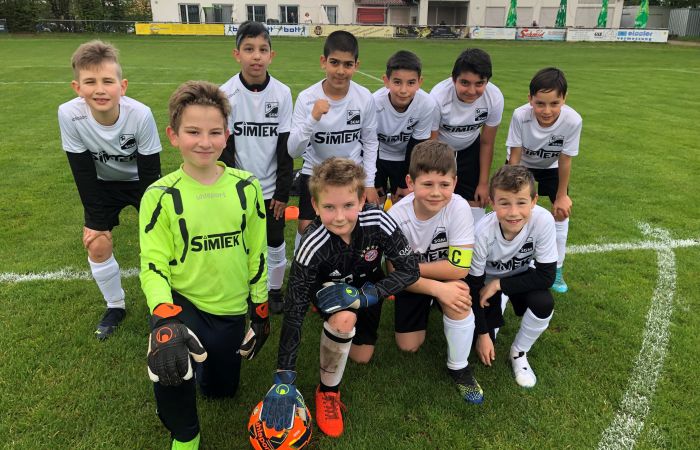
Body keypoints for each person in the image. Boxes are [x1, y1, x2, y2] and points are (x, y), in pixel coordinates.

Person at [140, 81, 269, 450]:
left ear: (227, 136)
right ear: (173, 136)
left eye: (214, 132)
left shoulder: (247, 187)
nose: (204, 142)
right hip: (183, 304)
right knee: (169, 357)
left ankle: (207, 370)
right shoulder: (160, 195)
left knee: (220, 390)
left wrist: (260, 309)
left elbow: (257, 251)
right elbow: (153, 264)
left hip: (229, 308)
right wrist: (163, 317)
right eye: (193, 132)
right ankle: (185, 434)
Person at [259, 158, 420, 438]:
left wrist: (368, 296)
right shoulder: (311, 245)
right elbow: (293, 313)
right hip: (329, 292)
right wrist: (284, 375)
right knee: (344, 319)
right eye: (329, 207)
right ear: (315, 205)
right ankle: (328, 392)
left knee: (361, 357)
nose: (340, 216)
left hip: (367, 291)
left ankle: (347, 320)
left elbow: (411, 270)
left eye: (348, 205)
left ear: (361, 200)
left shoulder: (379, 220)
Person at [58, 40, 162, 340]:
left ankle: (163, 303)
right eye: (90, 82)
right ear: (77, 87)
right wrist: (96, 221)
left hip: (142, 182)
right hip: (102, 184)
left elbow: (150, 172)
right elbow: (82, 171)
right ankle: (115, 306)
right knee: (97, 243)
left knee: (160, 242)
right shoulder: (68, 114)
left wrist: (153, 220)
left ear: (122, 86)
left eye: (107, 81)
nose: (100, 89)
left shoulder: (140, 114)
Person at [387, 141, 483, 404]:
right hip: (417, 283)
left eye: (444, 184)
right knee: (408, 346)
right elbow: (394, 275)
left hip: (445, 278)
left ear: (455, 182)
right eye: (427, 184)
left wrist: (410, 269)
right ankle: (433, 301)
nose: (436, 193)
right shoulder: (396, 216)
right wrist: (436, 288)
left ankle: (459, 368)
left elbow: (459, 268)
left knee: (459, 295)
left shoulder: (459, 207)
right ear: (410, 182)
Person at [219, 21, 293, 314]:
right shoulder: (226, 93)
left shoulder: (282, 93)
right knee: (240, 241)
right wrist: (230, 188)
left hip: (272, 188)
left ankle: (274, 290)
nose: (256, 56)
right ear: (237, 54)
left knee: (275, 240)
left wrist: (283, 192)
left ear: (271, 56)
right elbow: (225, 147)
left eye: (263, 49)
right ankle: (246, 287)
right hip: (239, 188)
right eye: (249, 49)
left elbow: (285, 147)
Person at [287, 30, 379, 253]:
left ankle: (347, 267)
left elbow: (370, 141)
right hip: (315, 170)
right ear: (323, 62)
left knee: (350, 225)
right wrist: (313, 118)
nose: (340, 71)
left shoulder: (364, 97)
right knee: (306, 227)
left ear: (356, 65)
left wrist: (369, 182)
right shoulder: (307, 98)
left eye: (348, 64)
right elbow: (293, 150)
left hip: (351, 172)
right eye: (334, 62)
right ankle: (303, 266)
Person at [468, 165, 557, 389]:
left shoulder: (543, 220)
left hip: (514, 277)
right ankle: (495, 310)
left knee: (543, 302)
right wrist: (483, 334)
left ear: (534, 201)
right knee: (475, 344)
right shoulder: (482, 233)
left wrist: (500, 284)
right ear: (492, 202)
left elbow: (547, 277)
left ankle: (519, 352)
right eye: (505, 203)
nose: (513, 212)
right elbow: (473, 286)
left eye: (521, 202)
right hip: (484, 283)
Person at [506, 67, 582, 293]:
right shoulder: (520, 116)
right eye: (540, 103)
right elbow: (515, 156)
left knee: (561, 212)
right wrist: (512, 191)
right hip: (521, 165)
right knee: (516, 210)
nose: (547, 111)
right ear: (530, 99)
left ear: (564, 99)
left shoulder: (573, 120)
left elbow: (565, 159)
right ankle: (514, 262)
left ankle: (556, 268)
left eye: (554, 103)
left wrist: (562, 195)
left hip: (552, 166)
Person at [430, 48, 504, 224]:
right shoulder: (437, 97)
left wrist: (483, 183)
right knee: (437, 200)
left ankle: (474, 241)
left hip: (471, 149)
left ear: (487, 81)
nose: (471, 91)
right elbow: (431, 142)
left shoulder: (494, 97)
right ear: (453, 79)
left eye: (479, 83)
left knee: (477, 203)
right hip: (440, 151)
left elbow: (487, 142)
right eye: (464, 83)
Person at [373, 50, 439, 205]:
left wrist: (404, 182)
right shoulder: (373, 103)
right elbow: (369, 143)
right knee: (375, 200)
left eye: (411, 83)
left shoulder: (426, 104)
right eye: (397, 82)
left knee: (403, 201)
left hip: (406, 158)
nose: (403, 90)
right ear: (386, 81)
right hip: (378, 156)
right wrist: (374, 182)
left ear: (420, 82)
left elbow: (417, 145)